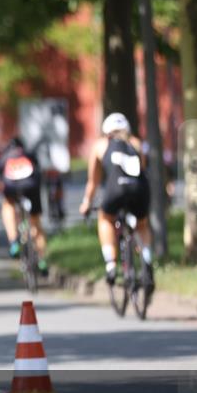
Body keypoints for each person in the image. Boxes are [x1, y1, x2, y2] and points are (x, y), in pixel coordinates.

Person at [79, 112, 153, 289]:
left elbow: (93, 182)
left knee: (105, 219)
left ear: (106, 131)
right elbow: (142, 168)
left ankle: (111, 264)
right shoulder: (136, 143)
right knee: (142, 225)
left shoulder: (100, 145)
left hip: (115, 190)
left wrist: (86, 203)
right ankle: (147, 260)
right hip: (139, 189)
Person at [0, 136, 49, 277]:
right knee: (36, 223)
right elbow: (39, 172)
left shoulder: (5, 157)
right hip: (31, 187)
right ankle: (42, 260)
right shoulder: (28, 153)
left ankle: (14, 242)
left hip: (12, 187)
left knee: (7, 205)